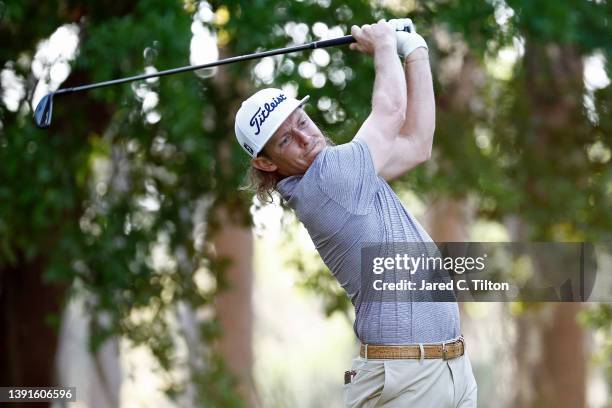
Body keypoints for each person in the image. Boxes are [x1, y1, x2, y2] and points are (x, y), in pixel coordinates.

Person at [234, 19, 477, 407]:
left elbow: (417, 144)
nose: (305, 137)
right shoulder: (330, 181)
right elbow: (391, 110)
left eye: (301, 121)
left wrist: (414, 49)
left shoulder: (344, 172)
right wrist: (384, 44)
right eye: (286, 140)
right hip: (410, 378)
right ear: (266, 164)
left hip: (447, 368)